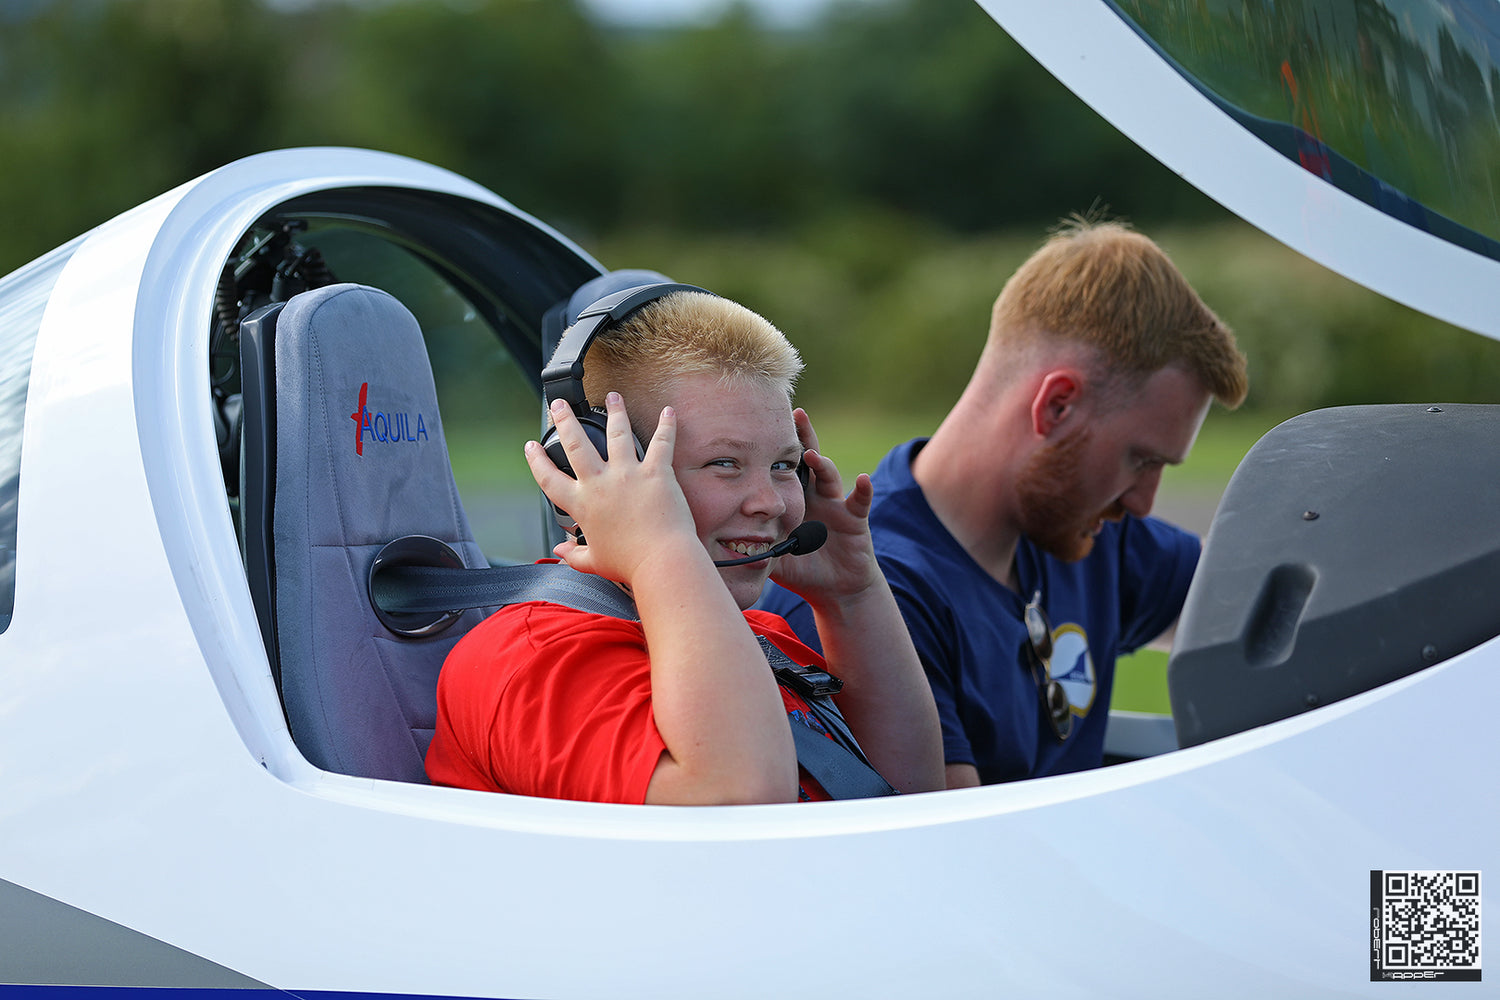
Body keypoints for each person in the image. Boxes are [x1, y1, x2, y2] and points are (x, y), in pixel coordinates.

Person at [760, 218, 1249, 786]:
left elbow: (1260, 606)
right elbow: (962, 848)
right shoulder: (875, 598)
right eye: (1141, 460)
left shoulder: (1084, 532)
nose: (1143, 502)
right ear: (1057, 406)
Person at [425, 272, 944, 804]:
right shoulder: (534, 661)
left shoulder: (752, 637)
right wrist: (656, 550)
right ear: (602, 466)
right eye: (724, 463)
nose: (771, 501)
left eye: (785, 465)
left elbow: (912, 797)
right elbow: (740, 801)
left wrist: (851, 598)